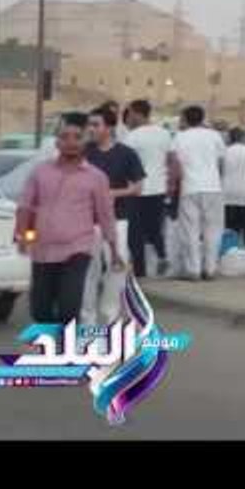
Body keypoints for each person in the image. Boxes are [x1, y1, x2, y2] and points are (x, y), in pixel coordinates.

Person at [16, 112, 120, 324]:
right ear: (57, 142)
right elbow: (25, 206)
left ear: (85, 142)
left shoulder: (96, 177)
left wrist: (114, 250)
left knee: (69, 307)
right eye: (65, 137)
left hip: (77, 249)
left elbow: (106, 215)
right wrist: (22, 236)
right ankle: (51, 339)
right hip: (43, 250)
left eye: (77, 137)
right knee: (40, 310)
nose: (71, 142)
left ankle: (67, 341)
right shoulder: (40, 172)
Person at [82, 105, 146, 325]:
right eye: (89, 125)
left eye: (96, 124)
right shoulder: (83, 153)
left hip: (117, 218)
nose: (91, 129)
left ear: (109, 127)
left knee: (117, 263)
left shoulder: (127, 154)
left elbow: (138, 187)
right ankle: (87, 321)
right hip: (87, 221)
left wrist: (112, 193)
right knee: (88, 269)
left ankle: (111, 315)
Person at [170, 105, 226, 282]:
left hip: (190, 187)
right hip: (213, 187)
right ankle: (210, 269)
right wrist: (217, 180)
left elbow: (175, 164)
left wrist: (173, 185)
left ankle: (193, 269)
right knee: (213, 229)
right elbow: (221, 162)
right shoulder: (214, 135)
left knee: (190, 230)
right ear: (202, 118)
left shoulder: (179, 137)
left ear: (185, 119)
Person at [124, 99, 172, 278]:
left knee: (135, 231)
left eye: (130, 114)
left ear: (137, 113)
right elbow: (170, 160)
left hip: (137, 189)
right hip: (158, 188)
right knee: (154, 228)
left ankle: (140, 270)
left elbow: (126, 164)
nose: (128, 118)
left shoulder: (132, 137)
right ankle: (162, 255)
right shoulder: (164, 134)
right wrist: (170, 184)